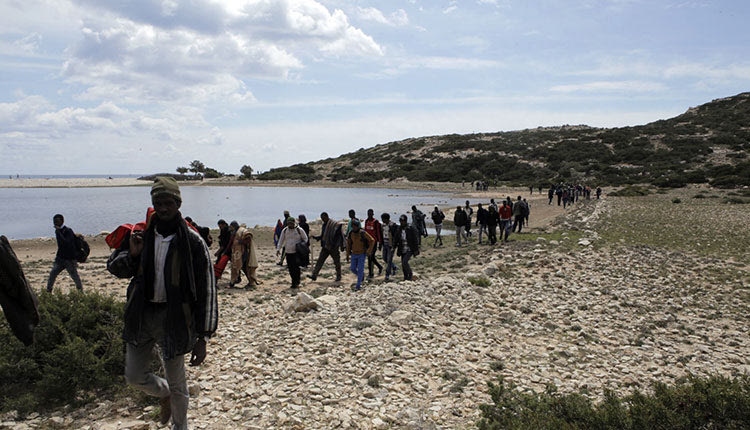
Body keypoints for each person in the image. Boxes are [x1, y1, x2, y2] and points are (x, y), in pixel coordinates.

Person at [106, 177, 217, 429]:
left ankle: (180, 426)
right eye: (159, 202)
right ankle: (163, 393)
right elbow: (114, 267)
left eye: (168, 203)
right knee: (134, 376)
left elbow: (207, 289)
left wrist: (204, 336)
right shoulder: (140, 234)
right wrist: (133, 255)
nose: (164, 208)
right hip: (141, 316)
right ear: (153, 203)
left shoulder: (193, 242)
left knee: (179, 383)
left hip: (174, 320)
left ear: (178, 203)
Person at [46, 214, 83, 292]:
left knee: (74, 276)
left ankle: (80, 292)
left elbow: (67, 243)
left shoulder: (68, 230)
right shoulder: (58, 231)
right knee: (52, 274)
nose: (55, 223)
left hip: (69, 259)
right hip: (60, 258)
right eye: (54, 221)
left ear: (62, 221)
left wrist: (59, 232)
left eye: (57, 221)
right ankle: (48, 291)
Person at [308, 212, 344, 282]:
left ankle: (338, 276)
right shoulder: (324, 225)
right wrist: (316, 238)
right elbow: (323, 236)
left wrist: (341, 245)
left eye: (323, 218)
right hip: (325, 246)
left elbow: (339, 236)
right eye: (322, 219)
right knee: (320, 261)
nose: (323, 220)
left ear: (327, 216)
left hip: (333, 247)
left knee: (337, 262)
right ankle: (314, 275)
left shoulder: (334, 224)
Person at [276, 217, 308, 293]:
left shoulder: (299, 230)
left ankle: (297, 282)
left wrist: (301, 245)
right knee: (290, 268)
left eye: (291, 223)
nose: (290, 225)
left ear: (294, 223)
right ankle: (293, 282)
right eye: (288, 223)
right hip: (288, 252)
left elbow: (305, 238)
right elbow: (281, 240)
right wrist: (278, 249)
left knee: (296, 268)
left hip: (296, 253)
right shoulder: (285, 230)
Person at [346, 219, 374, 291]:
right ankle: (361, 276)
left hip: (362, 254)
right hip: (354, 254)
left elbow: (372, 240)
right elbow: (348, 244)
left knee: (360, 269)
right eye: (353, 226)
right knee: (352, 268)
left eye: (356, 226)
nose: (354, 228)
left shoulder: (363, 233)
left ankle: (358, 285)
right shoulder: (351, 233)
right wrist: (347, 255)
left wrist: (369, 250)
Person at [229, 223, 260, 288]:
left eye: (231, 227)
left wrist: (240, 242)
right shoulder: (236, 232)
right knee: (241, 267)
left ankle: (235, 282)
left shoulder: (241, 231)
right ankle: (249, 282)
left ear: (233, 226)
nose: (230, 229)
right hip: (238, 253)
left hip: (243, 252)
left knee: (242, 267)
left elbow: (248, 238)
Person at [393, 214, 419, 281]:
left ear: (406, 221)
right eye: (400, 221)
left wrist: (416, 249)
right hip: (402, 248)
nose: (401, 222)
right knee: (403, 263)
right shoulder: (399, 229)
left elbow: (415, 239)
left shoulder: (411, 228)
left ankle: (410, 274)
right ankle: (405, 277)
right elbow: (396, 239)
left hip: (409, 248)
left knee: (405, 262)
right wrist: (394, 247)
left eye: (403, 221)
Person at [363, 209, 383, 279]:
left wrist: (380, 242)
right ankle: (379, 267)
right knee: (370, 257)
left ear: (373, 214)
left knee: (371, 257)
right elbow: (365, 232)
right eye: (368, 213)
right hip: (367, 242)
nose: (369, 215)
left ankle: (371, 273)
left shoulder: (375, 222)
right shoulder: (366, 221)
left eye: (371, 214)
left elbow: (378, 232)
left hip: (374, 242)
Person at [380, 213, 399, 281]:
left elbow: (396, 235)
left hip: (391, 245)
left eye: (382, 219)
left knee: (389, 259)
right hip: (385, 244)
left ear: (386, 219)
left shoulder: (393, 225)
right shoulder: (383, 225)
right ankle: (394, 267)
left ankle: (387, 275)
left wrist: (394, 245)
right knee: (384, 258)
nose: (382, 220)